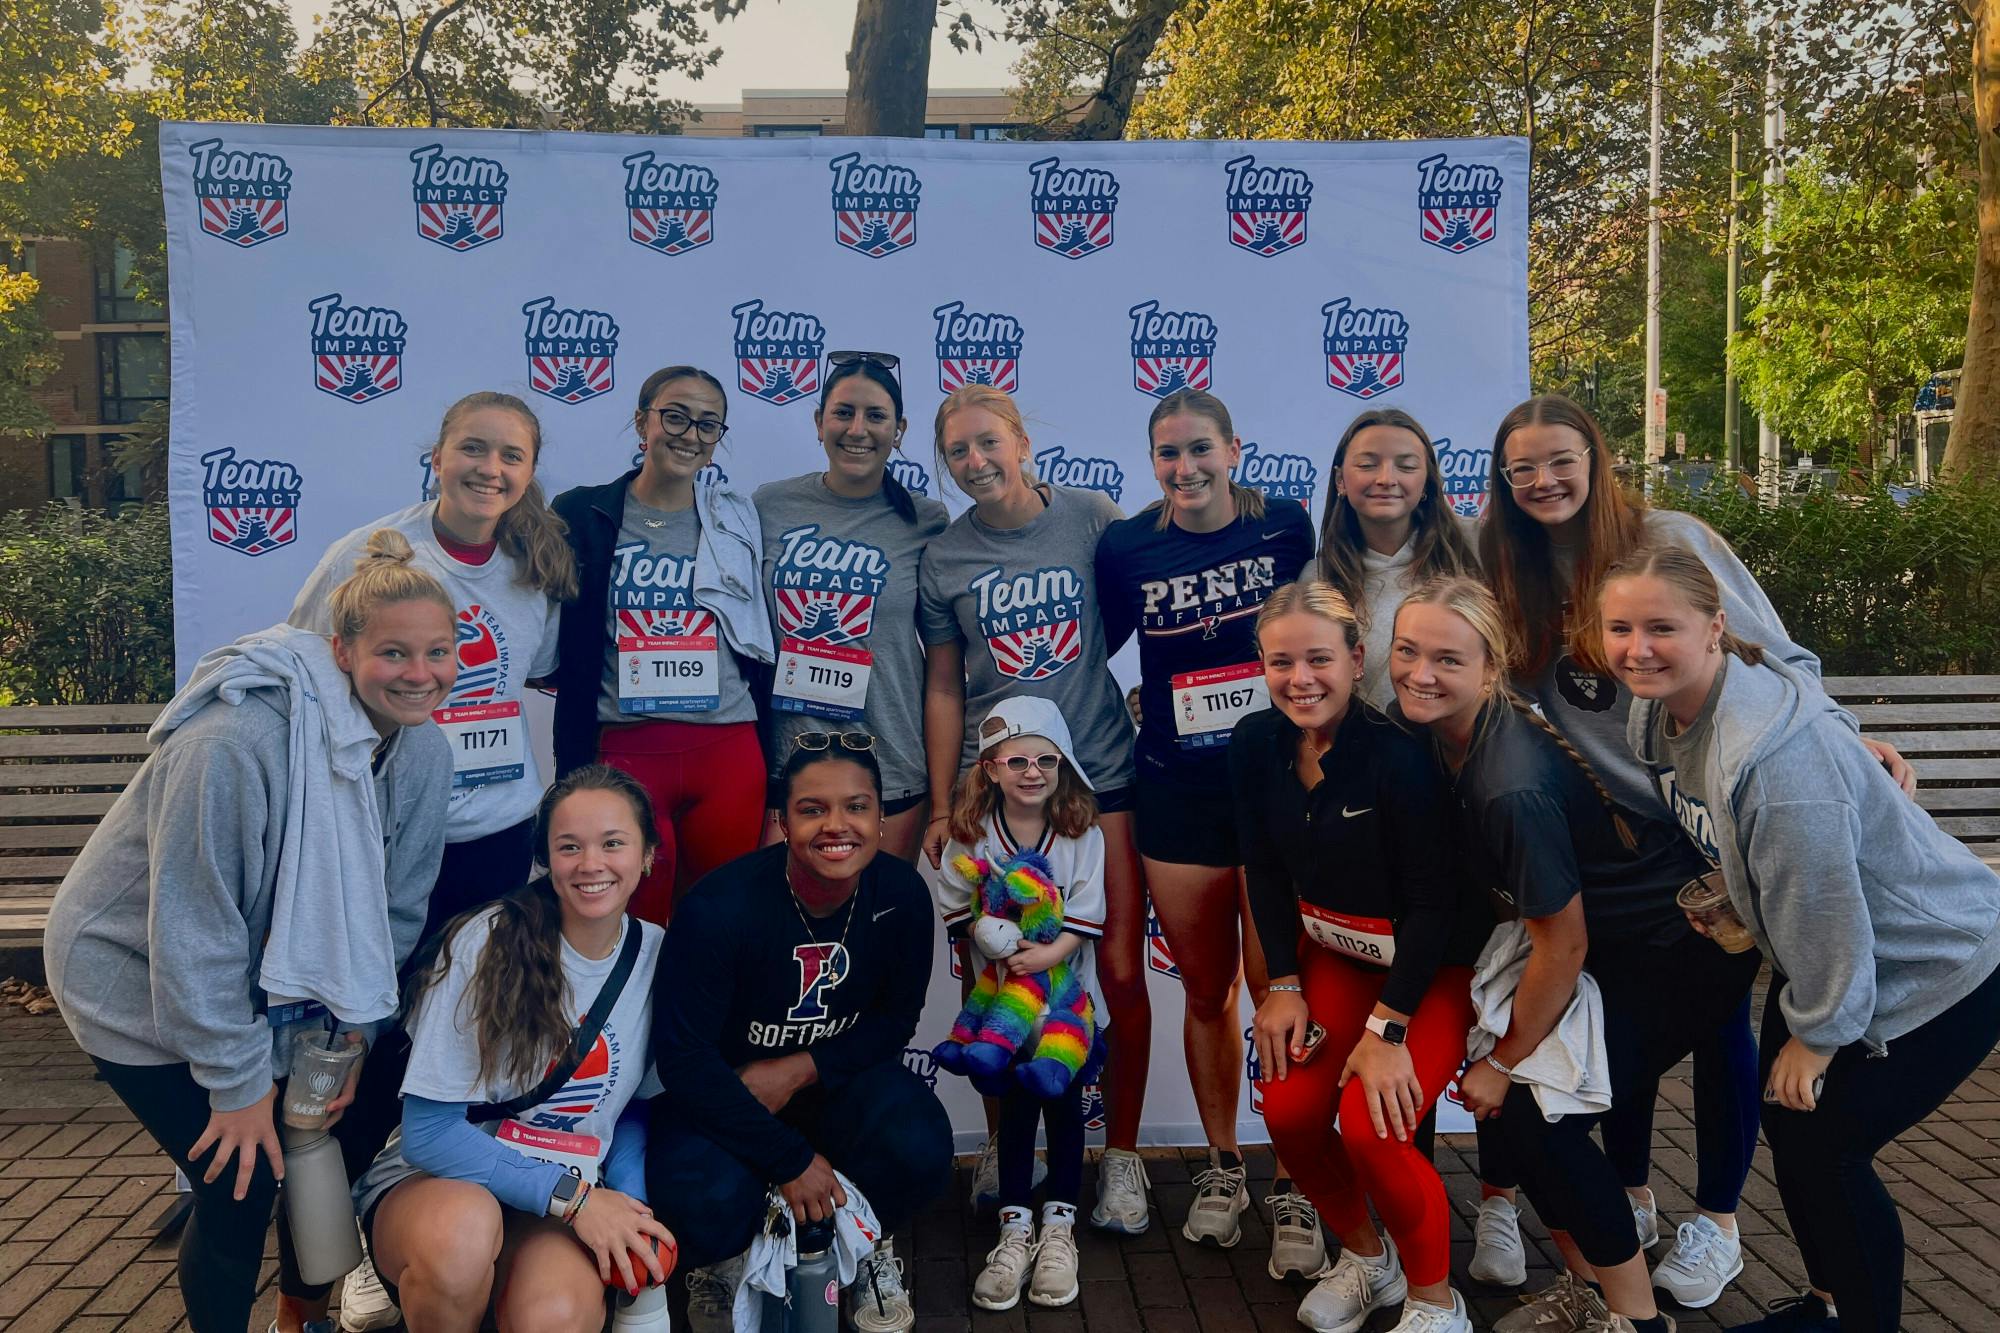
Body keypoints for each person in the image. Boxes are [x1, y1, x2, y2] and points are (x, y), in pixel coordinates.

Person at [1467, 394, 1916, 1304]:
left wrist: (1842, 740)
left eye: (1559, 460)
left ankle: (1716, 1223)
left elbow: (1777, 657)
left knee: (1718, 1029)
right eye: (1521, 469)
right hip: (1623, 844)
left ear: (1595, 459)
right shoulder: (1505, 561)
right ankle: (1632, 1200)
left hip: (1708, 827)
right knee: (1621, 1035)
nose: (1542, 481)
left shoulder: (1667, 538)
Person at [44, 532, 455, 1333]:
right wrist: (236, 1089)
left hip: (269, 988)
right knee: (237, 1182)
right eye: (394, 651)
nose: (419, 672)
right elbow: (192, 928)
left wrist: (351, 1035)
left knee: (319, 1157)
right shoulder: (233, 740)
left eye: (437, 651)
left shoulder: (425, 752)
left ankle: (300, 1319)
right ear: (340, 650)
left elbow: (394, 913)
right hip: (130, 973)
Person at [1601, 543, 2000, 1333]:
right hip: (1836, 952)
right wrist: (1738, 890)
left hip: (1942, 960)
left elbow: (1827, 910)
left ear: (1715, 628)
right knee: (1791, 1127)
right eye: (1620, 627)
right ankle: (1828, 1305)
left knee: (1829, 1147)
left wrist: (1818, 1039)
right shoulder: (1659, 709)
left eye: (1661, 627)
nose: (1637, 648)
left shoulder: (1776, 764)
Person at [1390, 577, 1758, 1333]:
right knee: (1523, 1127)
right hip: (1613, 949)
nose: (1420, 672)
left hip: (1676, 953)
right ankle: (1592, 1292)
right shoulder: (1440, 734)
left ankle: (1635, 1319)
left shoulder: (1507, 783)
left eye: (1447, 659)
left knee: (1536, 1120)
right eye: (1406, 650)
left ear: (1491, 669)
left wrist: (1503, 1059)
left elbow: (1564, 941)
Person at [917, 384, 1152, 1234]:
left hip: (1101, 782)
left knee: (1117, 971)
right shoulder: (945, 557)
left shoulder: (1091, 517)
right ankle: (1001, 1140)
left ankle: (1119, 1156)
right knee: (1001, 969)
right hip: (996, 790)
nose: (975, 462)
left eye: (989, 443)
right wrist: (951, 799)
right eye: (957, 453)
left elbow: (1127, 622)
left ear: (1022, 439)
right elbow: (945, 684)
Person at [1095, 388, 1319, 1262]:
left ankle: (1295, 1176)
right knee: (1204, 990)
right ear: (1151, 462)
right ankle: (1224, 1164)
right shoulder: (1127, 544)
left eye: (1199, 450)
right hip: (1176, 795)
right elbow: (1096, 644)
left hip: (1270, 792)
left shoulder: (1286, 527)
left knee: (1281, 989)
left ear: (1234, 449)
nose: (1185, 469)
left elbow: (1316, 640)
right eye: (1167, 454)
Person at [1234, 581, 1488, 1333]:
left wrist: (1387, 1029)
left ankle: (1437, 1301)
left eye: (1319, 658)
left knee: (1374, 1124)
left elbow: (1438, 907)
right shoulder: (1254, 743)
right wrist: (1281, 981)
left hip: (1430, 967)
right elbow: (1264, 871)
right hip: (1335, 959)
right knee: (1289, 1111)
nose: (1301, 678)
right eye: (1281, 661)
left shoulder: (1398, 758)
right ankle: (1368, 1258)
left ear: (1355, 658)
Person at [353, 765, 673, 1333]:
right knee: (463, 1236)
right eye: (569, 847)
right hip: (443, 1183)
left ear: (647, 854)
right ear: (546, 859)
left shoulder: (657, 955)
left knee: (554, 1315)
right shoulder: (488, 941)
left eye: (613, 843)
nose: (591, 864)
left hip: (562, 1189)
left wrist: (630, 1208)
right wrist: (576, 1200)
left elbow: (631, 1110)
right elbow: (430, 1134)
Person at [647, 738, 952, 1333]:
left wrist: (801, 1067)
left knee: (919, 1144)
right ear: (782, 822)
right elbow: (683, 1059)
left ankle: (864, 1242)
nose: (837, 826)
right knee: (693, 1196)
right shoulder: (719, 907)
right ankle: (723, 1259)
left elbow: (894, 1024)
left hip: (833, 1085)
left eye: (856, 807)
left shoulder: (902, 895)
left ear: (881, 817)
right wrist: (788, 1159)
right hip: (731, 1096)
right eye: (813, 809)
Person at [292, 389, 573, 942]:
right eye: (473, 448)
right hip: (385, 827)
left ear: (530, 470)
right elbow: (300, 671)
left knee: (478, 1003)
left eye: (511, 456)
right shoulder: (364, 554)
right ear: (437, 459)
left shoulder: (535, 567)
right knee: (386, 1006)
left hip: (499, 826)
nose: (490, 469)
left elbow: (535, 671)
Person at [549, 365, 775, 923]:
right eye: (674, 415)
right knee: (628, 920)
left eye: (708, 424)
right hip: (624, 752)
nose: (689, 434)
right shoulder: (582, 512)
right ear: (641, 422)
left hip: (727, 752)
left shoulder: (739, 518)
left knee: (719, 927)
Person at [934, 697, 1107, 1311]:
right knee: (1013, 1115)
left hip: (1064, 1007)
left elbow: (1087, 915)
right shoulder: (974, 834)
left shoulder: (1084, 832)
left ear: (1063, 765)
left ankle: (1059, 1229)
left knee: (1062, 1110)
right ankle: (1014, 1227)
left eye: (1045, 760)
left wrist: (1042, 955)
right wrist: (993, 941)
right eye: (1017, 761)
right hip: (1004, 1007)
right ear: (990, 768)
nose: (1032, 772)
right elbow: (961, 905)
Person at [755, 351, 948, 861]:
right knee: (780, 929)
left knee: (877, 928)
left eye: (876, 416)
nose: (857, 429)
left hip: (892, 763)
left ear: (899, 430)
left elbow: (947, 662)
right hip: (786, 765)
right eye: (843, 413)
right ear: (819, 422)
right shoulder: (768, 506)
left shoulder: (928, 522)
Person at [1309, 407, 1479, 710]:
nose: (1386, 478)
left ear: (1427, 480)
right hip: (1372, 752)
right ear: (1340, 481)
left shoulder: (1475, 544)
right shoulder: (1318, 579)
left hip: (1472, 749)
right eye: (1367, 464)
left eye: (1407, 466)